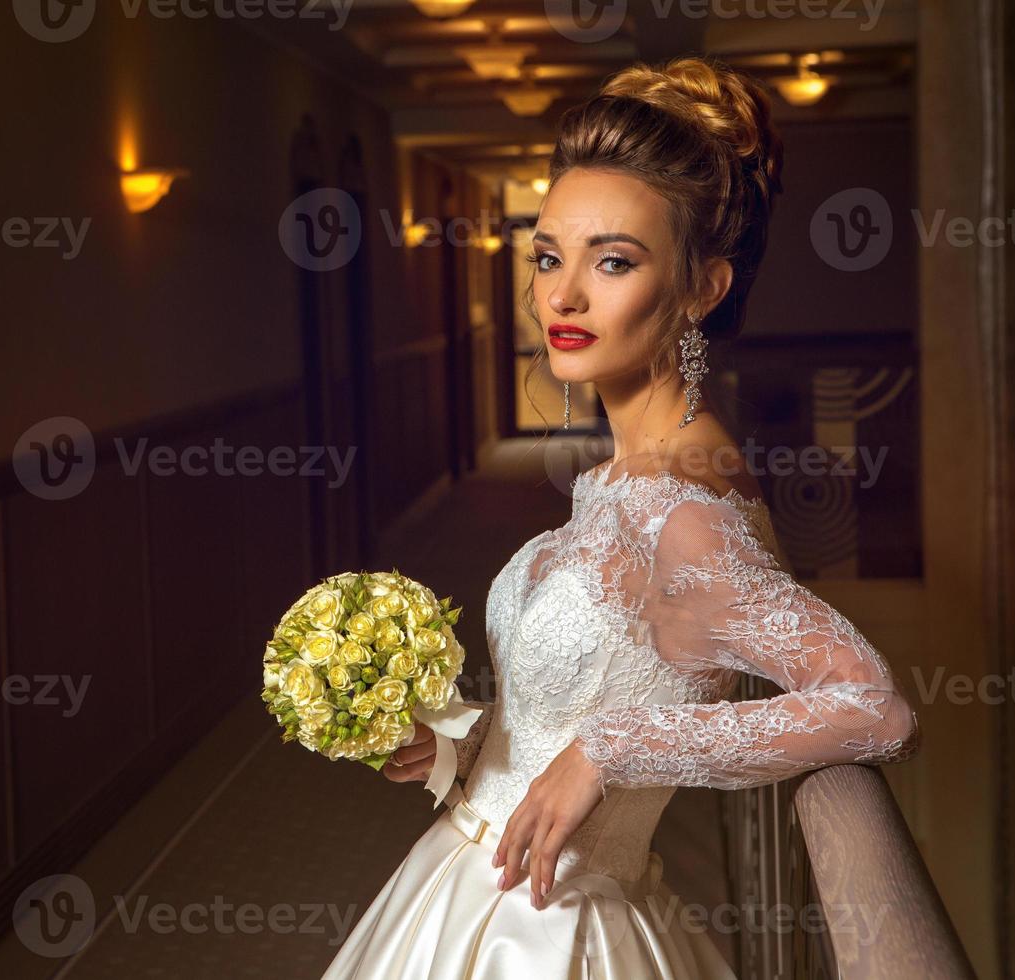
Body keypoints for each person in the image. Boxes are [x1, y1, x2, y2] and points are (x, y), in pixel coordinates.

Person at [320, 55, 920, 979]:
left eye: (614, 261)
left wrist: (612, 749)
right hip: (472, 884)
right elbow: (611, 687)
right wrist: (459, 747)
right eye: (550, 257)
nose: (562, 296)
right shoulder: (621, 479)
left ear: (702, 287)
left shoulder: (686, 510)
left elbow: (871, 705)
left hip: (551, 927)